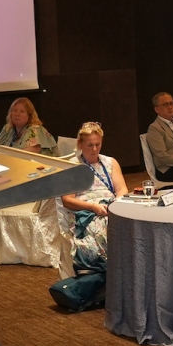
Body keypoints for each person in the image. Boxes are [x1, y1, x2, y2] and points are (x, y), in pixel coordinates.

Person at [57, 123, 128, 295]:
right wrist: (93, 207)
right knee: (108, 229)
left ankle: (127, 272)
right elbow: (67, 201)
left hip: (110, 207)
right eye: (89, 145)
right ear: (80, 144)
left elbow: (122, 190)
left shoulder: (110, 162)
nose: (94, 149)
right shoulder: (72, 167)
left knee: (130, 225)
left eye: (98, 144)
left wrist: (116, 204)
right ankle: (111, 275)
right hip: (86, 212)